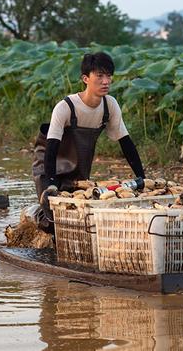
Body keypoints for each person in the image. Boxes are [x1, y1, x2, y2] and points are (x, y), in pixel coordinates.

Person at [32, 52, 145, 231]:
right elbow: (51, 148)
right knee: (53, 220)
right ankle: (34, 214)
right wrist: (51, 183)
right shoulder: (65, 107)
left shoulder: (110, 105)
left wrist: (142, 177)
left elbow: (126, 143)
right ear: (85, 78)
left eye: (109, 76)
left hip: (80, 166)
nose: (106, 81)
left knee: (80, 215)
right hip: (49, 165)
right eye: (99, 76)